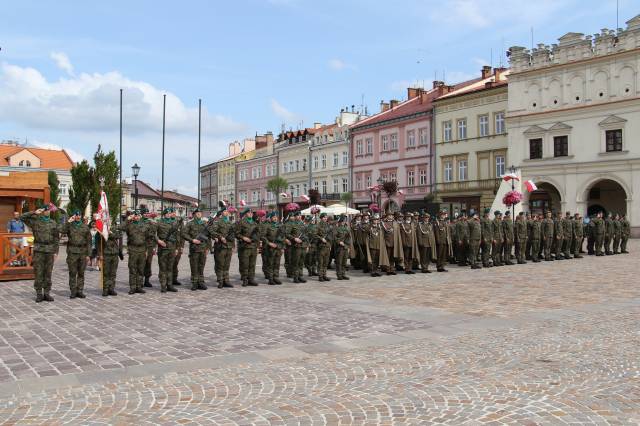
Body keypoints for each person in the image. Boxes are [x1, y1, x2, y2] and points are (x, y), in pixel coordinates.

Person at [21, 205, 60, 303]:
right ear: (42, 211)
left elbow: (56, 238)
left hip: (50, 250)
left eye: (48, 210)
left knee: (48, 273)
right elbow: (22, 217)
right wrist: (34, 212)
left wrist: (56, 252)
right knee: (38, 272)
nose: (47, 212)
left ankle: (47, 293)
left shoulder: (53, 223)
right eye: (45, 210)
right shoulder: (35, 221)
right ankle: (39, 294)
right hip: (39, 250)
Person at [61, 210, 92, 299]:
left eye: (79, 215)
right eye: (76, 215)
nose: (78, 217)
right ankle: (73, 291)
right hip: (72, 252)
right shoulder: (70, 226)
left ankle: (80, 291)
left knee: (81, 273)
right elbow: (61, 230)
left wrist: (88, 254)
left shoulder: (85, 227)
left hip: (83, 252)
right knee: (72, 272)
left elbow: (89, 242)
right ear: (74, 216)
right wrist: (68, 222)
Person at [121, 210, 150, 294]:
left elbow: (148, 239)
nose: (137, 217)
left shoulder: (145, 226)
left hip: (142, 250)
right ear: (133, 217)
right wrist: (127, 219)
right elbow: (120, 227)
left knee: (141, 270)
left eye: (138, 216)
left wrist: (147, 250)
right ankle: (133, 287)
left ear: (140, 217)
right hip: (133, 249)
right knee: (133, 269)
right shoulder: (129, 225)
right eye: (135, 216)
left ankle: (139, 287)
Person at [155, 207, 181, 293]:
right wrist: (158, 240)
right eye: (167, 214)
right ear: (164, 214)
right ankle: (163, 285)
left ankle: (170, 285)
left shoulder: (174, 223)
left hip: (172, 248)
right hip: (163, 248)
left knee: (170, 267)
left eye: (170, 214)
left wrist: (177, 248)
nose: (169, 215)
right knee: (163, 267)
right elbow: (152, 233)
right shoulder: (159, 222)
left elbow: (177, 236)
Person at [182, 208, 209, 290]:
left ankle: (201, 282)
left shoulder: (204, 224)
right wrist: (192, 240)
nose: (199, 214)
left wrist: (208, 248)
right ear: (194, 215)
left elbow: (208, 236)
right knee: (194, 266)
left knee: (201, 266)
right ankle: (194, 283)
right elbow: (183, 233)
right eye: (197, 213)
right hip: (194, 249)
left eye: (200, 213)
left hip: (203, 248)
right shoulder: (190, 224)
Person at [212, 205, 236, 288]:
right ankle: (220, 281)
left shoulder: (230, 222)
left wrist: (233, 246)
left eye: (227, 212)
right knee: (220, 264)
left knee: (227, 264)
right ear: (222, 213)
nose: (226, 213)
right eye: (225, 211)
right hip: (220, 246)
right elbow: (213, 231)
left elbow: (232, 235)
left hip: (228, 246)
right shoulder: (218, 221)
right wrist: (220, 237)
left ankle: (226, 280)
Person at [99, 219, 123, 297]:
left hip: (115, 254)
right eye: (107, 220)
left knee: (113, 273)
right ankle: (105, 289)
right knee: (106, 273)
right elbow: (98, 242)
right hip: (106, 254)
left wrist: (110, 233)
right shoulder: (101, 229)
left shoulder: (115, 228)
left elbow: (119, 235)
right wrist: (100, 254)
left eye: (110, 220)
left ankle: (111, 289)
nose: (109, 221)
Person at [236, 207, 259, 286]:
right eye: (249, 213)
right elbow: (237, 234)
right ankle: (245, 279)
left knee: (252, 264)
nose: (251, 214)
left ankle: (251, 279)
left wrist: (257, 245)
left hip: (253, 246)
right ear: (246, 214)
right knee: (245, 264)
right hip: (245, 247)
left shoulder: (255, 223)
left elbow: (257, 236)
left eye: (252, 213)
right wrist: (243, 238)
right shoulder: (241, 222)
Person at [262, 211, 283, 285]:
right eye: (273, 217)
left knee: (277, 263)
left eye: (276, 217)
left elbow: (283, 236)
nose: (275, 218)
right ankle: (270, 279)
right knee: (270, 263)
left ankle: (276, 277)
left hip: (278, 247)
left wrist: (282, 247)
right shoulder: (267, 226)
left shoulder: (279, 226)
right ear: (270, 218)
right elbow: (263, 236)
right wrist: (269, 243)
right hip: (270, 248)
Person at [286, 210, 307, 283]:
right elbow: (287, 234)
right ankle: (295, 277)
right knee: (296, 262)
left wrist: (306, 244)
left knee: (301, 262)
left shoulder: (303, 224)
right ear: (295, 217)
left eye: (300, 215)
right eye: (298, 215)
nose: (299, 216)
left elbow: (306, 235)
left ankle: (300, 276)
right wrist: (294, 238)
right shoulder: (292, 224)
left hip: (303, 246)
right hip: (296, 246)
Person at [142, 208, 158, 287]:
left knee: (148, 263)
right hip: (141, 246)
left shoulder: (152, 223)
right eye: (144, 213)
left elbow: (154, 235)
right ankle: (139, 281)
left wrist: (155, 247)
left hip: (150, 246)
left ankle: (147, 280)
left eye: (147, 213)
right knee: (141, 263)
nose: (146, 214)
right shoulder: (139, 222)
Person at [315, 212, 332, 282]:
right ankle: (320, 276)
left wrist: (330, 245)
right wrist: (321, 238)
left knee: (326, 262)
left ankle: (324, 275)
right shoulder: (318, 225)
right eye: (324, 217)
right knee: (321, 262)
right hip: (321, 246)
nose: (325, 218)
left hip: (327, 246)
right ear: (321, 218)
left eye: (326, 217)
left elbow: (330, 235)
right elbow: (315, 235)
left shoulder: (328, 225)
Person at [334, 214, 352, 280]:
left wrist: (347, 245)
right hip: (339, 248)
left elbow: (349, 237)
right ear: (339, 221)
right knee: (339, 262)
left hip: (345, 247)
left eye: (344, 221)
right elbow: (334, 237)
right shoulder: (336, 228)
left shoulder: (346, 228)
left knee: (344, 262)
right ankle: (339, 275)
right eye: (342, 221)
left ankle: (343, 274)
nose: (343, 222)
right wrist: (339, 242)